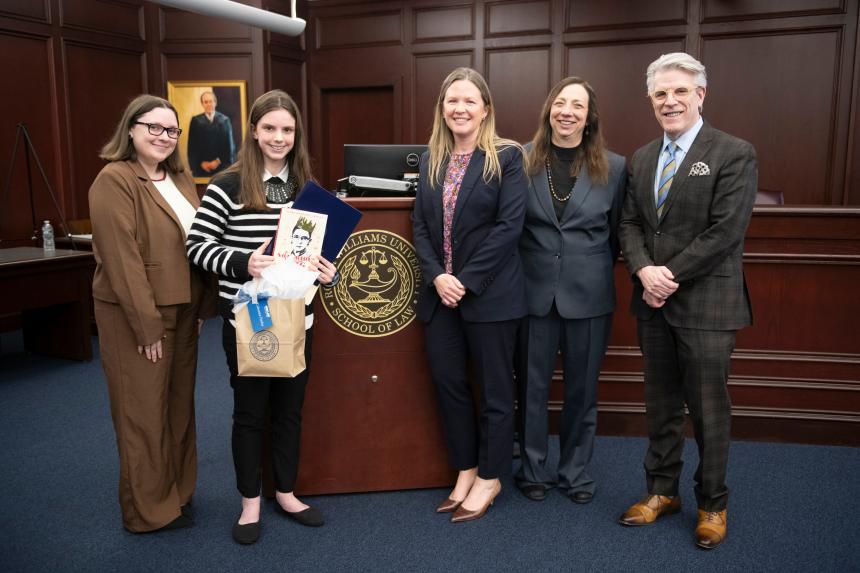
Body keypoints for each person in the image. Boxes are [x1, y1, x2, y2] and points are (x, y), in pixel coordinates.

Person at [186, 89, 338, 545]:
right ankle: (250, 501)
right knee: (250, 414)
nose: (278, 137)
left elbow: (313, 257)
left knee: (290, 411)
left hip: (298, 318)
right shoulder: (227, 185)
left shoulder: (308, 190)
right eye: (269, 128)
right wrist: (243, 263)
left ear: (297, 135)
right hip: (248, 321)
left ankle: (287, 493)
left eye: (287, 130)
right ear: (253, 131)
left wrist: (326, 272)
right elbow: (197, 247)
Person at [617, 52, 757, 549]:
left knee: (708, 412)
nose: (669, 101)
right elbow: (630, 224)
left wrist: (667, 274)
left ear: (700, 94)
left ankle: (713, 504)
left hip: (707, 305)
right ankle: (661, 492)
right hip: (653, 303)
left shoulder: (734, 152)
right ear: (651, 101)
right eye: (660, 94)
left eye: (679, 91)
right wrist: (642, 269)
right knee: (660, 407)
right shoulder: (640, 158)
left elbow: (726, 232)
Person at [89, 94, 216, 533]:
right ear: (131, 129)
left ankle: (177, 494)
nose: (164, 136)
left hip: (183, 310)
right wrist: (145, 326)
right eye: (154, 127)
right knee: (142, 413)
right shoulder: (114, 180)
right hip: (138, 317)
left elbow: (198, 246)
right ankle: (148, 512)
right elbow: (123, 262)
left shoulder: (180, 178)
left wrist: (203, 306)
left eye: (172, 130)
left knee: (178, 409)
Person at [411, 67, 527, 523]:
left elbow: (508, 228)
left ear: (485, 109)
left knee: (496, 392)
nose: (459, 108)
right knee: (449, 385)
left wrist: (464, 279)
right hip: (440, 295)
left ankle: (491, 477)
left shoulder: (507, 157)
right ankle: (466, 468)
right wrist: (439, 276)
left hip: (491, 295)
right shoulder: (430, 160)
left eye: (468, 101)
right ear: (443, 109)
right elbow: (420, 225)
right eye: (451, 101)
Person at [515, 77, 627, 504]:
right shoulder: (520, 158)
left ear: (589, 116)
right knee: (531, 388)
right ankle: (532, 469)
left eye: (577, 105)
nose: (567, 112)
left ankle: (575, 473)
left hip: (590, 295)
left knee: (583, 391)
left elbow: (616, 233)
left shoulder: (614, 167)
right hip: (533, 294)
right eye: (560, 103)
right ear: (548, 110)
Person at [187, 91, 235, 178]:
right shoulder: (196, 121)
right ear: (202, 104)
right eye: (205, 102)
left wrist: (218, 161)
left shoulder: (224, 120)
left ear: (215, 103)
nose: (208, 104)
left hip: (221, 167)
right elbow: (192, 147)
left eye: (211, 101)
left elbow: (230, 147)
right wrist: (200, 163)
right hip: (201, 168)